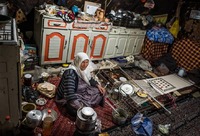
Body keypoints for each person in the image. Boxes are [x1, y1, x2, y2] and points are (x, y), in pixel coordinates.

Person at [55, 52, 106, 116]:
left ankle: (86, 104)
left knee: (99, 92)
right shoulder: (70, 74)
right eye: (83, 62)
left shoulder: (84, 70)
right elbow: (70, 95)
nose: (85, 65)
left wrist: (98, 85)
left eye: (87, 62)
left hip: (82, 90)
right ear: (78, 61)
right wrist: (80, 108)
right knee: (74, 110)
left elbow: (89, 79)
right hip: (70, 95)